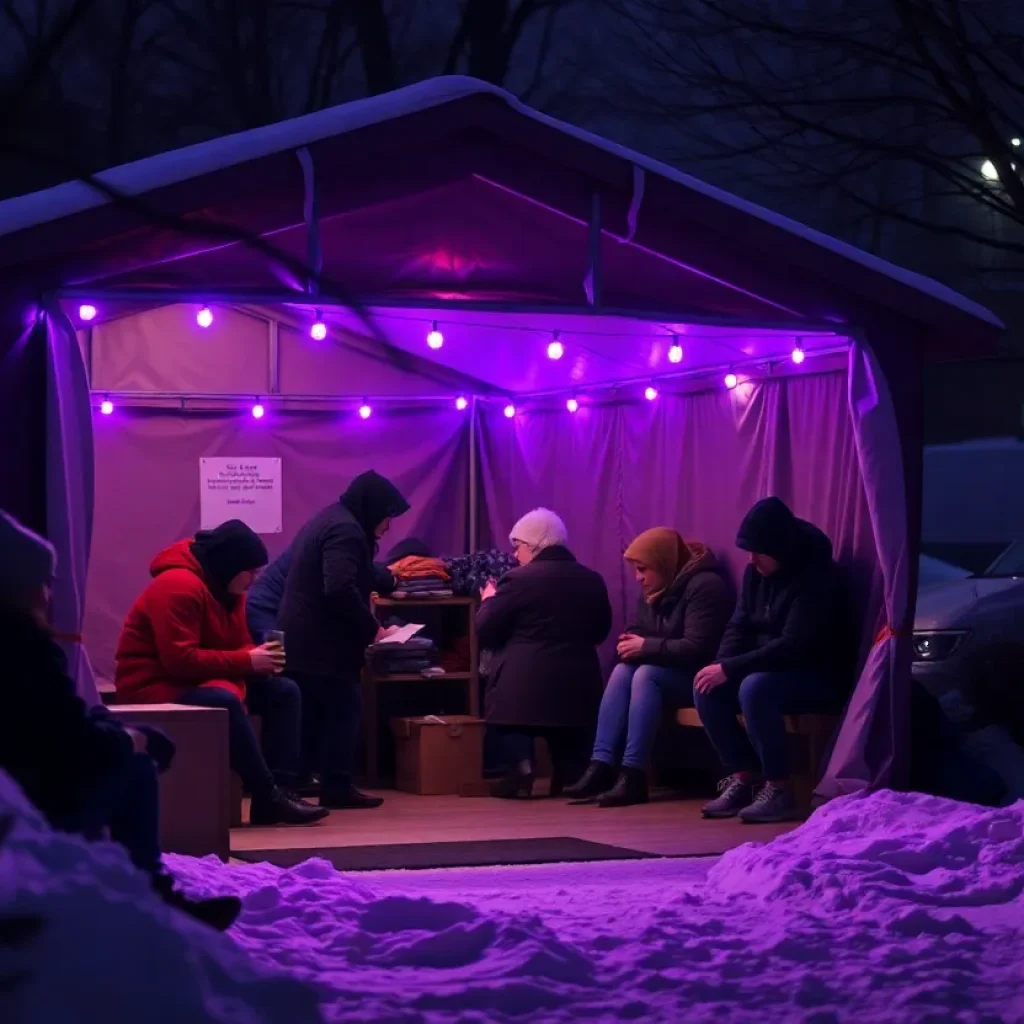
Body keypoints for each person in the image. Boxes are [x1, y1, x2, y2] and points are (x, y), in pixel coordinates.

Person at [0, 510, 242, 931]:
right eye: (44, 583)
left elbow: (57, 722)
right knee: (135, 766)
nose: (49, 595)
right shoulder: (24, 647)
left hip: (22, 788)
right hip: (31, 802)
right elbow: (71, 741)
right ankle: (151, 891)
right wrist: (133, 740)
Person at [114, 520, 327, 826]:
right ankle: (266, 793)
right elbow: (179, 661)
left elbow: (236, 643)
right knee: (221, 701)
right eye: (251, 572)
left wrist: (260, 662)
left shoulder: (228, 588)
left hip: (196, 680)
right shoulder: (177, 586)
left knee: (284, 691)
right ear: (230, 565)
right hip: (152, 686)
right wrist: (247, 662)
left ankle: (282, 790)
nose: (255, 580)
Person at [694, 497, 850, 824]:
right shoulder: (757, 573)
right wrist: (721, 666)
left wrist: (732, 668)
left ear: (780, 548)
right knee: (705, 686)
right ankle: (744, 778)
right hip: (770, 666)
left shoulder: (817, 578)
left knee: (754, 687)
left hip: (817, 673)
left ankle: (779, 788)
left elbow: (795, 645)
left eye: (758, 552)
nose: (751, 560)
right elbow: (739, 624)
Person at [564, 528, 732, 807]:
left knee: (646, 674)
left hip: (702, 676)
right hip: (667, 668)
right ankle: (601, 765)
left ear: (664, 563)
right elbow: (637, 630)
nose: (638, 577)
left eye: (643, 569)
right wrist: (628, 646)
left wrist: (646, 647)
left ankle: (633, 774)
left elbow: (698, 647)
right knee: (622, 672)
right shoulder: (655, 589)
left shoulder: (705, 586)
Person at [278, 470, 410, 810]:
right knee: (344, 708)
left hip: (303, 638)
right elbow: (339, 587)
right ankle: (336, 786)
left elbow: (355, 570)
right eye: (387, 517)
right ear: (373, 509)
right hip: (322, 643)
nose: (388, 526)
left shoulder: (332, 518)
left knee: (312, 714)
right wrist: (372, 629)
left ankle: (301, 783)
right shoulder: (347, 531)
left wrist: (385, 581)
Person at [476, 508, 613, 798]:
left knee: (509, 722)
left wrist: (488, 601)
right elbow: (601, 631)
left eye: (518, 547)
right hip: (579, 690)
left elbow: (486, 630)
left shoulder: (516, 581)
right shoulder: (593, 579)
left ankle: (521, 768)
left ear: (535, 545)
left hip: (520, 692)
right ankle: (568, 775)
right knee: (569, 734)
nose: (514, 555)